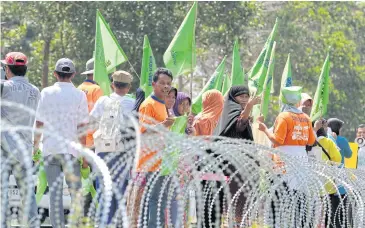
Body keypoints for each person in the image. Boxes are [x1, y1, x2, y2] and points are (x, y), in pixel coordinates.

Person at [34, 58, 89, 228]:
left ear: (55, 74)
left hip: (50, 150)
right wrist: (85, 154)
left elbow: (39, 124)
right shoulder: (80, 95)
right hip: (71, 152)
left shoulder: (46, 93)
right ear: (73, 74)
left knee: (55, 195)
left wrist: (34, 147)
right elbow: (82, 128)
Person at [257, 86, 316, 227]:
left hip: (284, 161)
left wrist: (264, 129)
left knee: (279, 199)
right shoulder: (306, 118)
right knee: (298, 199)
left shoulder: (284, 116)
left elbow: (278, 140)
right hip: (301, 160)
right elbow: (312, 141)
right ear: (297, 101)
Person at [89, 70, 135, 226]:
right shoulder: (132, 103)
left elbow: (91, 122)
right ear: (128, 87)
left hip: (102, 151)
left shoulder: (103, 101)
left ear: (112, 85)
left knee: (103, 192)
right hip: (122, 153)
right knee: (120, 194)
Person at [1, 52, 40, 227]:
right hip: (24, 147)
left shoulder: (4, 87)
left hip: (4, 147)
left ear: (8, 69)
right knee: (28, 194)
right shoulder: (35, 90)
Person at [212, 86, 260, 224]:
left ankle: (237, 223)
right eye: (241, 96)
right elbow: (239, 125)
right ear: (233, 98)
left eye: (247, 96)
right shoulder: (234, 109)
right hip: (234, 163)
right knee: (236, 197)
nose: (245, 99)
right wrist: (249, 107)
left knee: (240, 197)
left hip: (239, 162)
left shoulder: (236, 110)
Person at [136, 68, 178, 228]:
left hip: (164, 160)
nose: (166, 86)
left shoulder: (163, 104)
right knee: (155, 200)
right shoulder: (148, 104)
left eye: (168, 83)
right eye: (162, 83)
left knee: (160, 201)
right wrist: (163, 125)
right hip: (151, 161)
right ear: (154, 84)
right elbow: (143, 133)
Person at [77, 58, 103, 217]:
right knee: (95, 181)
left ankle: (84, 217)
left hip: (79, 141)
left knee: (84, 182)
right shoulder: (97, 90)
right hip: (93, 142)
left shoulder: (79, 88)